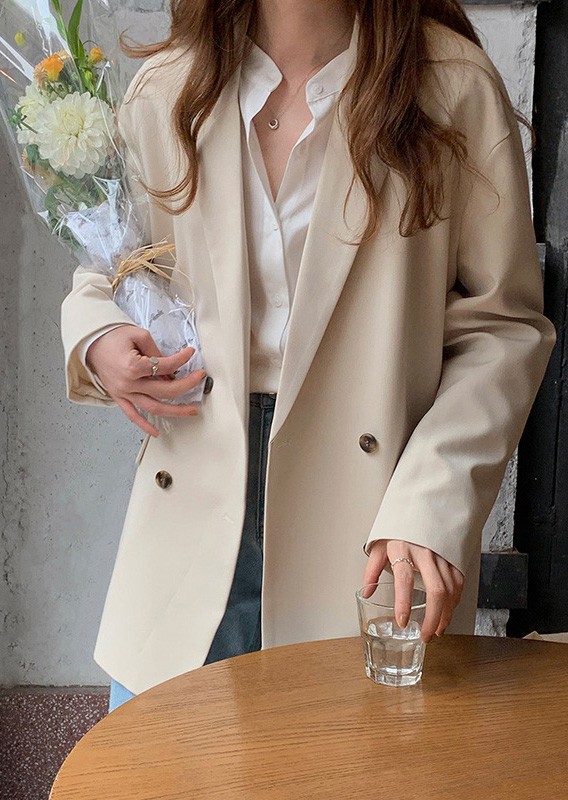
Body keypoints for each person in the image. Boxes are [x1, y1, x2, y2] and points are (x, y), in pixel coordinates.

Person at [60, 0, 556, 712]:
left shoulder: (450, 87)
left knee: (342, 755)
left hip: (372, 515)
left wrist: (433, 498)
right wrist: (97, 335)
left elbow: (503, 327)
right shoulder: (171, 87)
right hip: (195, 505)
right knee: (155, 758)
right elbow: (113, 261)